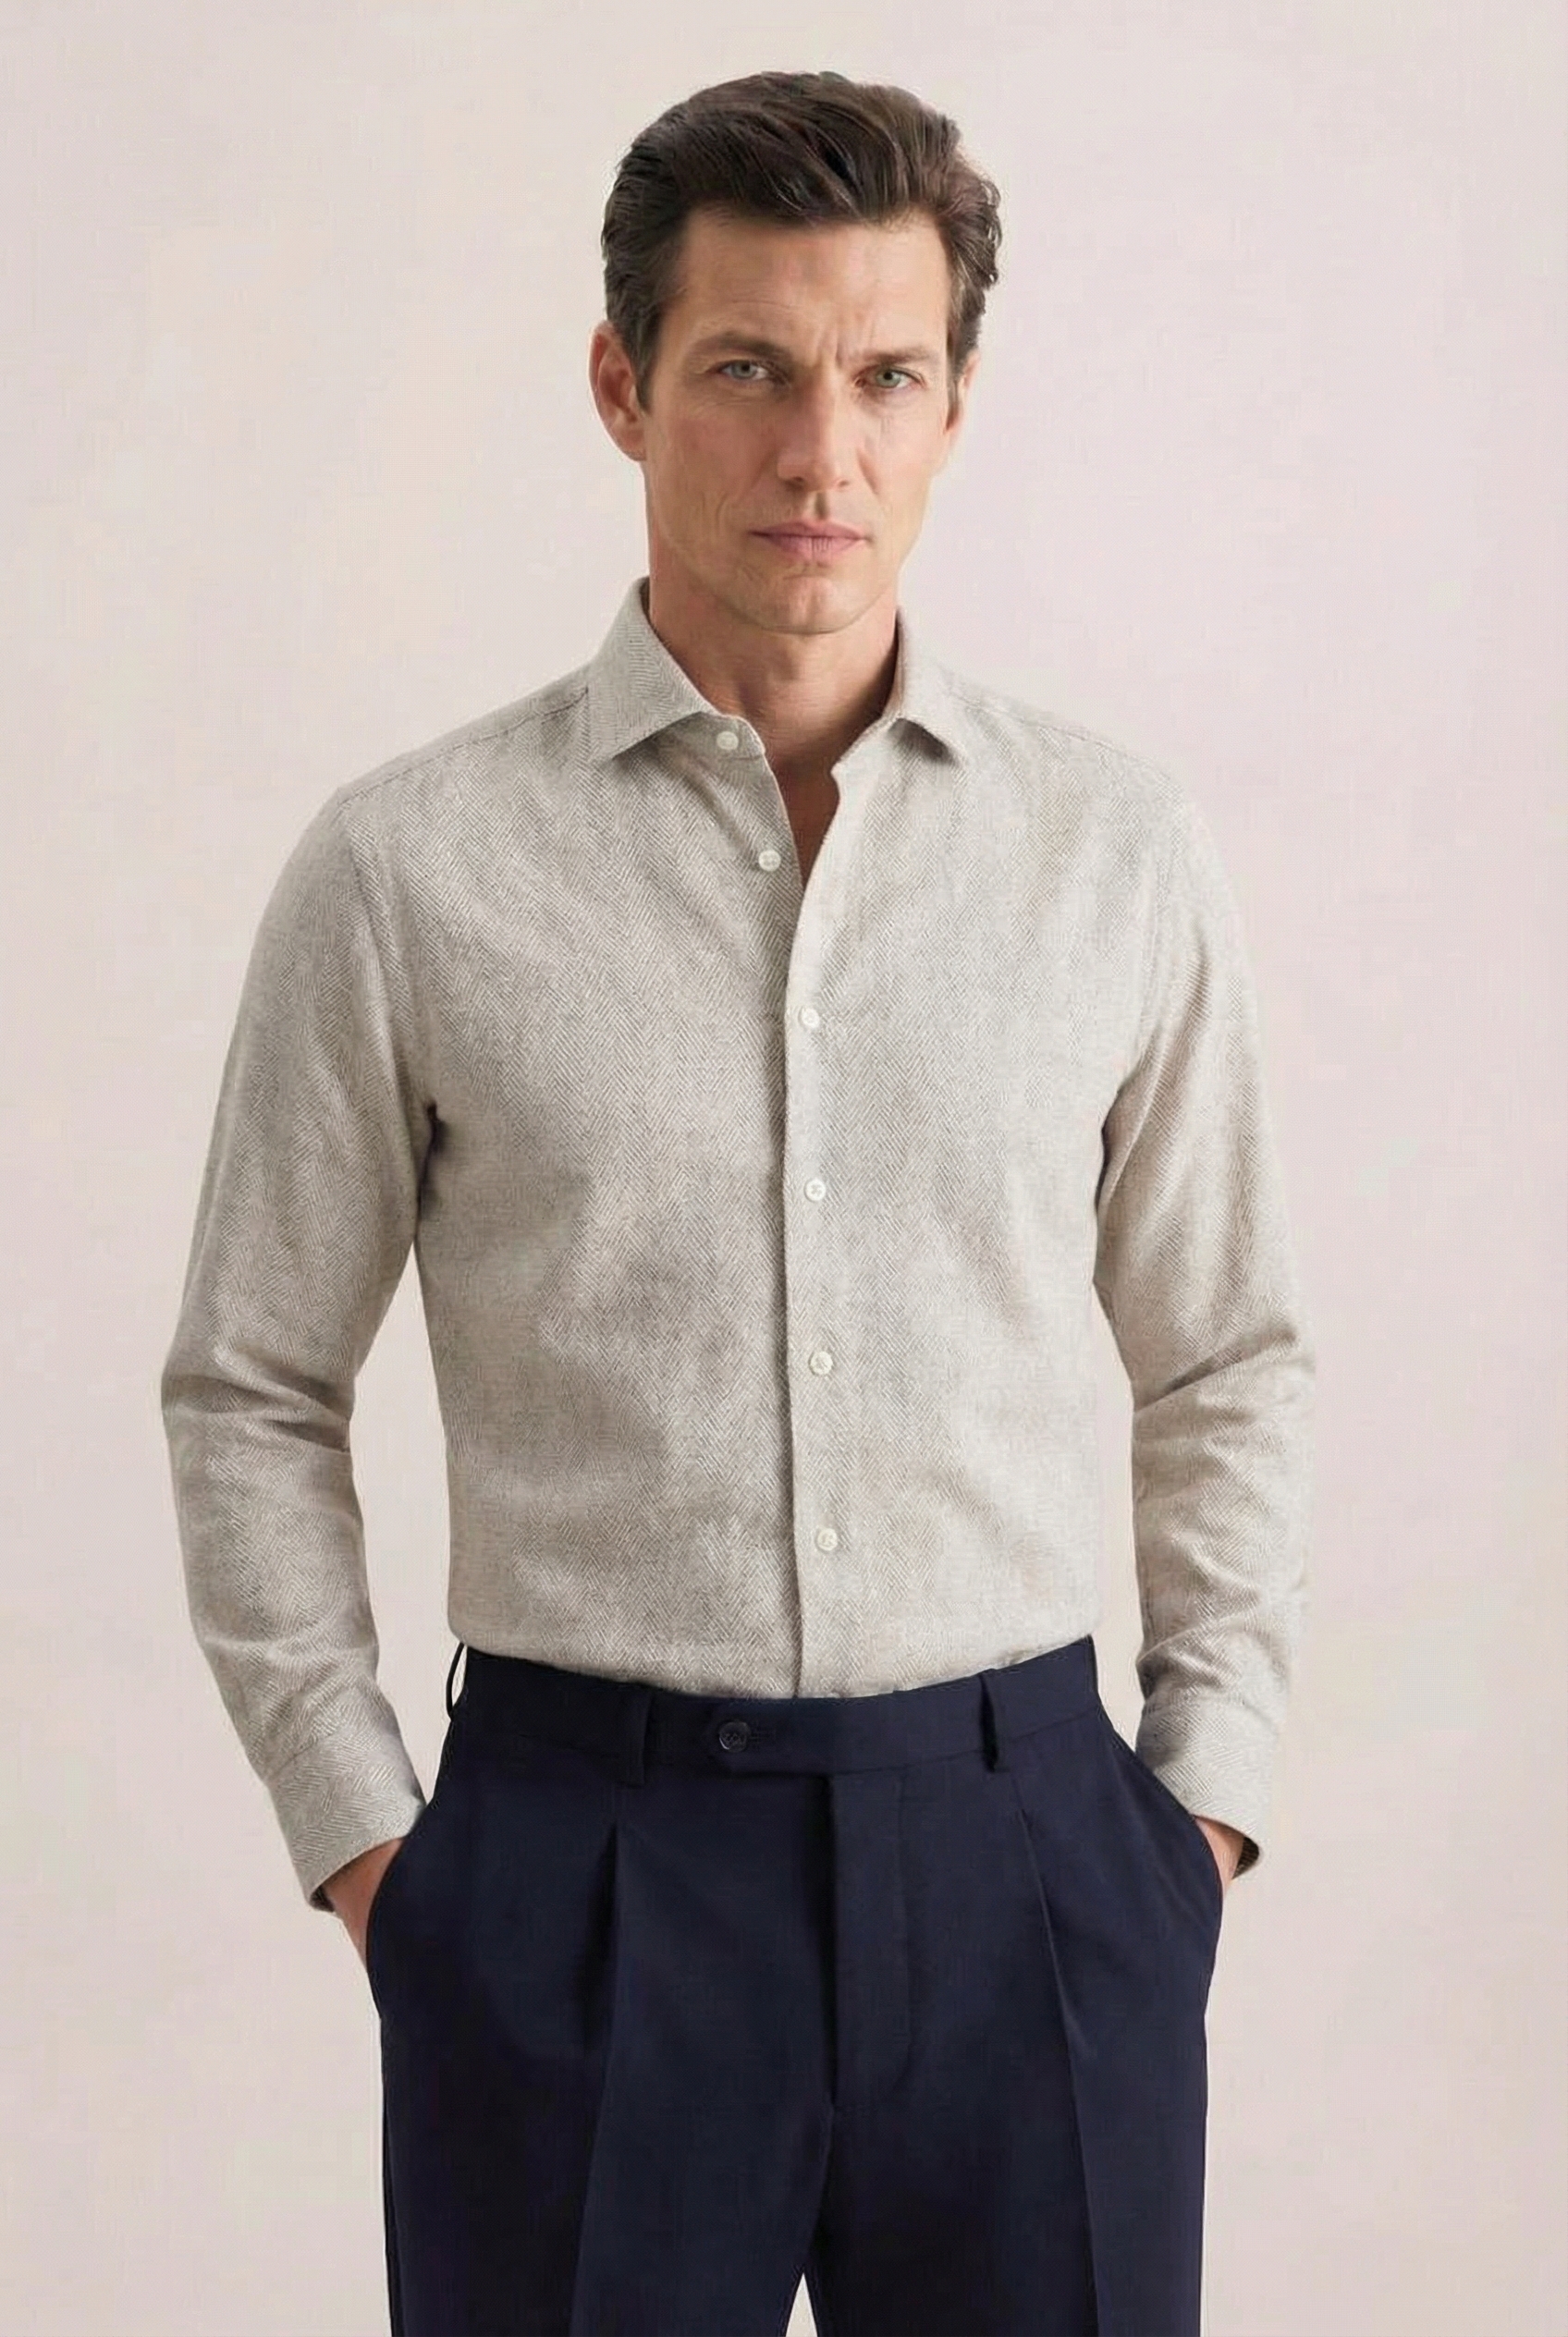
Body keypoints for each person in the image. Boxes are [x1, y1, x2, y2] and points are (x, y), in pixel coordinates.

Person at [160, 66, 1316, 2337]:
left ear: (954, 402)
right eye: (749, 371)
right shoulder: (409, 871)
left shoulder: (1110, 853)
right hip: (575, 1875)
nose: (822, 454)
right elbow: (249, 1384)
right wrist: (376, 1849)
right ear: (621, 387)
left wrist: (1196, 1808)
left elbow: (1224, 1353)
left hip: (1026, 1864)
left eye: (884, 376)